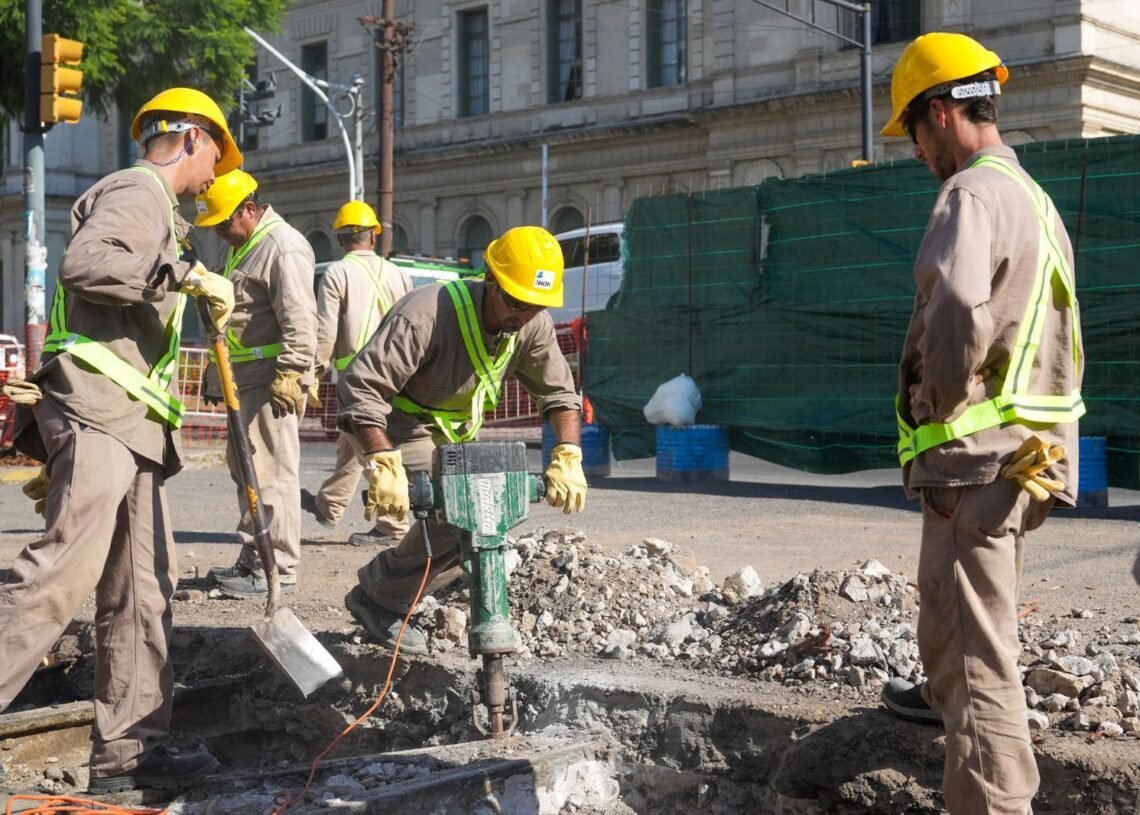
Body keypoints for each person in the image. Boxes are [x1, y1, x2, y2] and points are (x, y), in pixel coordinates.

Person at [0, 88, 239, 792]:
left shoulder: (159, 209)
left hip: (130, 420)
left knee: (142, 590)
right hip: (101, 409)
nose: (214, 179)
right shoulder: (139, 191)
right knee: (59, 575)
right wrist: (184, 273)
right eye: (216, 159)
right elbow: (85, 264)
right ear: (193, 138)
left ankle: (129, 753)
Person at [880, 33, 1085, 815]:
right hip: (1022, 456)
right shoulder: (1031, 195)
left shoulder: (969, 194)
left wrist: (937, 397)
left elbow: (961, 306)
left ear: (941, 114)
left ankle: (996, 801)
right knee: (959, 633)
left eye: (917, 134)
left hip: (977, 463)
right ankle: (945, 697)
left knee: (978, 662)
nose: (919, 152)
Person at [336, 225, 587, 653]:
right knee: (461, 505)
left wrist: (568, 451)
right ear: (491, 280)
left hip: (454, 433)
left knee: (481, 509)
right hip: (398, 426)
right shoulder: (426, 314)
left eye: (536, 305)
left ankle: (402, 587)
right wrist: (382, 459)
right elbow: (362, 387)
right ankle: (378, 598)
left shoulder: (531, 324)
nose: (524, 315)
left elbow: (559, 393)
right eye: (516, 301)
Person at [194, 170, 318, 599]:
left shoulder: (281, 246)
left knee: (272, 474)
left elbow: (301, 320)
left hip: (270, 383)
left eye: (224, 224)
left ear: (249, 209)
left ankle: (277, 567)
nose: (221, 234)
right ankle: (254, 558)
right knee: (248, 472)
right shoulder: (246, 246)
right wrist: (217, 377)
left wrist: (292, 372)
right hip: (243, 382)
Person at [300, 200, 413, 546]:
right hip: (396, 373)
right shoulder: (399, 274)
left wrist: (314, 371)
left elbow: (326, 331)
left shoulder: (336, 273)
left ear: (339, 239)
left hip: (356, 376)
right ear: (374, 237)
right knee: (351, 443)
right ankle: (329, 505)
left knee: (369, 446)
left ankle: (394, 525)